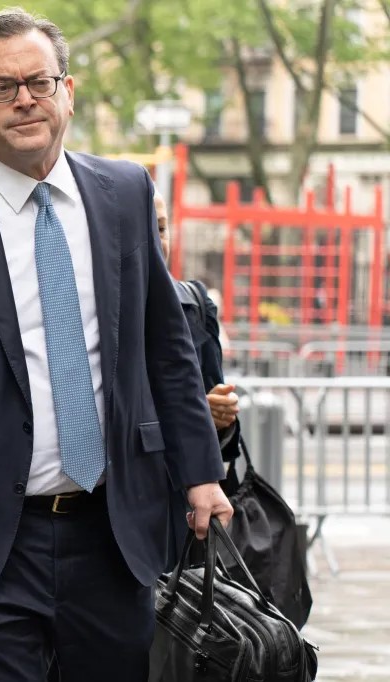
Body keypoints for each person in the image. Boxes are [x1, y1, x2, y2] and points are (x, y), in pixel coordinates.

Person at [0, 9, 233, 681]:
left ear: (69, 90)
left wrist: (201, 474)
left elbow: (166, 349)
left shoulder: (123, 194)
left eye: (38, 80)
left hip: (114, 531)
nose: (24, 98)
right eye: (1, 87)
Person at [154, 191, 241, 567]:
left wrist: (220, 417)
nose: (157, 238)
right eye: (145, 227)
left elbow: (222, 446)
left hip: (181, 515)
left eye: (161, 227)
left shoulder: (195, 306)